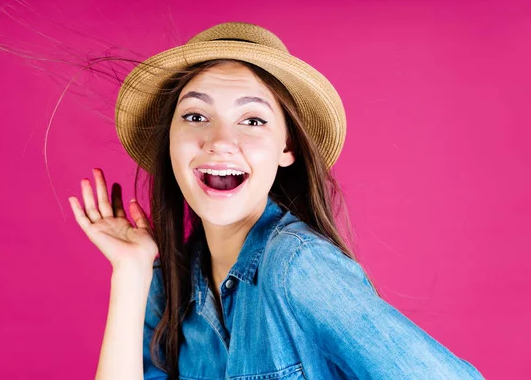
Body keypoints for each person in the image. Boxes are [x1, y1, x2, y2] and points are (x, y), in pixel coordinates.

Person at [68, 22, 484, 379]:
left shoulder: (296, 265)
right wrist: (131, 270)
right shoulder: (168, 282)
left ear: (288, 148)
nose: (221, 142)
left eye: (252, 120)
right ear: (170, 140)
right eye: (196, 116)